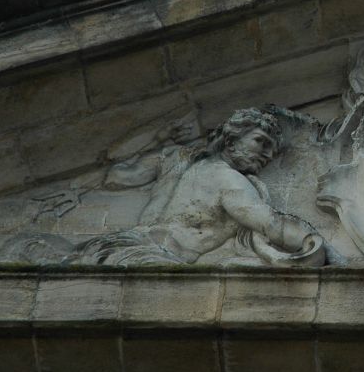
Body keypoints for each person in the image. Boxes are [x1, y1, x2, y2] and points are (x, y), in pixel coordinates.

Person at [66, 108, 325, 266]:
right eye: (261, 142)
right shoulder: (225, 177)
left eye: (272, 149)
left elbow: (116, 177)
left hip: (135, 249)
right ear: (232, 137)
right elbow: (270, 223)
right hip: (149, 258)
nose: (267, 154)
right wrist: (314, 244)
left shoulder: (179, 160)